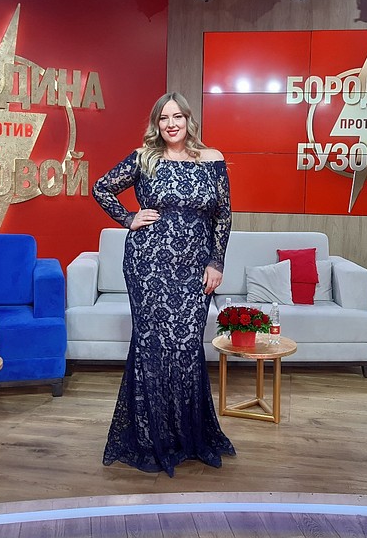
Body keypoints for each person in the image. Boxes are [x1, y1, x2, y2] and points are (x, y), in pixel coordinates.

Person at [92, 92, 235, 477]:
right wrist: (128, 218)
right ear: (156, 124)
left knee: (186, 346)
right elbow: (101, 187)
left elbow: (223, 216)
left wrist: (216, 261)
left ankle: (188, 437)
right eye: (163, 118)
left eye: (177, 117)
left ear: (188, 120)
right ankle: (150, 437)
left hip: (194, 268)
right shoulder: (144, 158)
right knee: (152, 347)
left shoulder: (212, 159)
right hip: (148, 265)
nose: (171, 124)